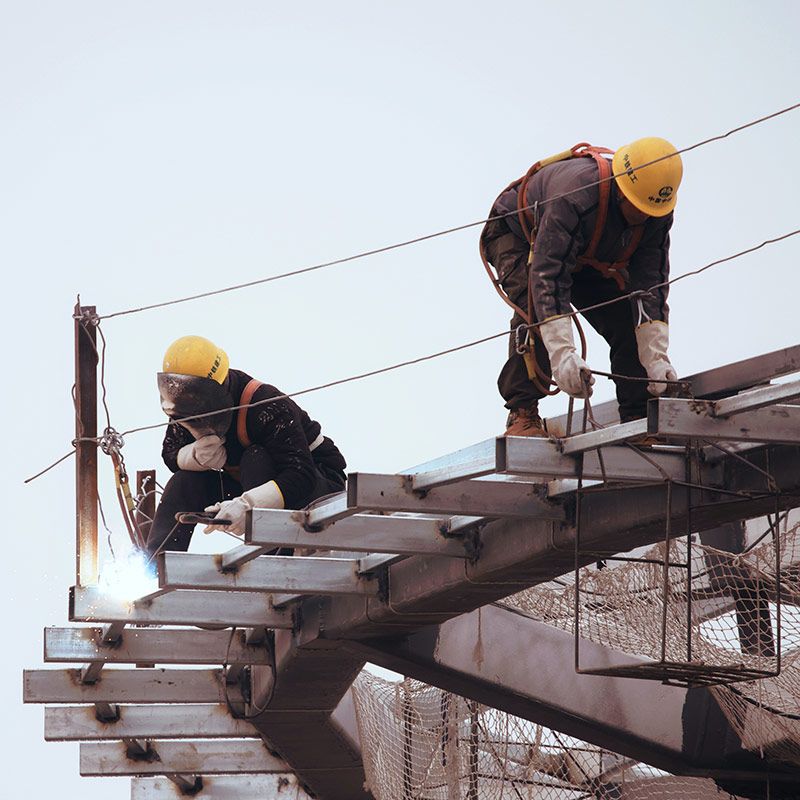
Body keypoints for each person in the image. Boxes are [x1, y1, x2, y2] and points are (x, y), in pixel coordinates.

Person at [480, 138, 683, 436]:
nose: (641, 217)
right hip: (519, 236)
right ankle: (522, 414)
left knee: (626, 320)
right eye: (636, 208)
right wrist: (563, 356)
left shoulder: (656, 210)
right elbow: (547, 279)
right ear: (620, 190)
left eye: (648, 212)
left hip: (584, 252)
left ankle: (639, 419)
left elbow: (649, 286)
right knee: (533, 309)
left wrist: (655, 358)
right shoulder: (575, 196)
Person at [145, 335, 347, 557]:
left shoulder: (265, 405)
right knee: (185, 482)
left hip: (317, 486)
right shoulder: (185, 409)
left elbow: (301, 476)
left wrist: (247, 504)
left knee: (255, 458)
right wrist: (192, 456)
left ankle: (274, 561)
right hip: (252, 486)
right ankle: (156, 570)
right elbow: (170, 453)